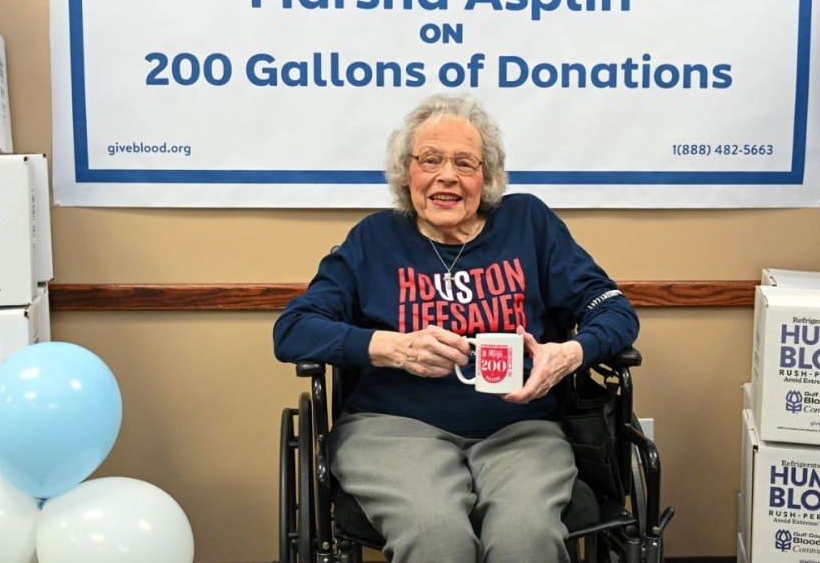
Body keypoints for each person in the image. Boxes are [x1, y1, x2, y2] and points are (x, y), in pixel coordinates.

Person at [274, 93, 639, 563]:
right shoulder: (374, 239)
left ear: (485, 178)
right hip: (392, 430)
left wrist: (569, 354)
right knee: (437, 539)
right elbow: (293, 329)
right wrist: (391, 348)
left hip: (520, 429)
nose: (447, 175)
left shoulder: (529, 224)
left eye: (465, 163)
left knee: (525, 540)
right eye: (430, 159)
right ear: (407, 173)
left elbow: (615, 311)